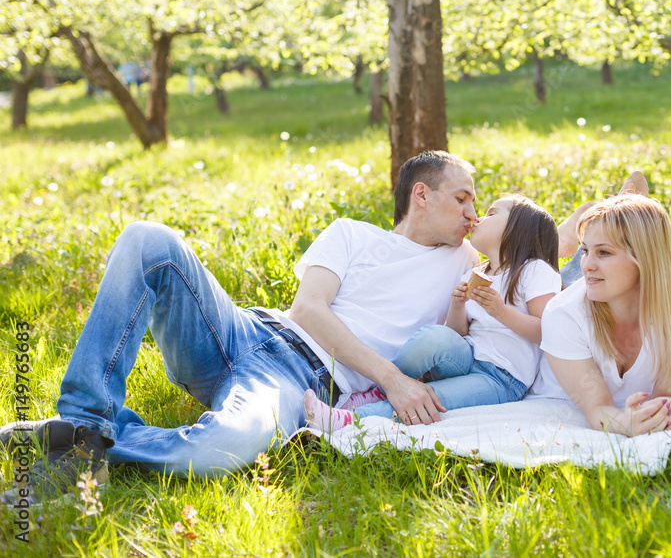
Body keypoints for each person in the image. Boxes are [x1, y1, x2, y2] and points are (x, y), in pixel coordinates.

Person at [1, 151, 479, 505]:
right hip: (246, 332)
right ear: (422, 193)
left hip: (300, 383)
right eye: (462, 198)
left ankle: (77, 437)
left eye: (477, 206)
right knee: (148, 238)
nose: (472, 214)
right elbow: (310, 310)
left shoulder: (465, 263)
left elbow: (529, 257)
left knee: (224, 447)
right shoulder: (351, 233)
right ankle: (83, 426)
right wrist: (394, 381)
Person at [303, 194, 562, 431]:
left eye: (493, 214)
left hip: (501, 377)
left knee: (432, 399)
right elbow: (456, 334)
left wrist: (501, 312)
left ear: (519, 229)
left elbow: (549, 331)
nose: (478, 217)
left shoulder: (535, 270)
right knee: (433, 337)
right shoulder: (477, 273)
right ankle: (383, 388)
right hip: (467, 356)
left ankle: (350, 421)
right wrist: (458, 305)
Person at [530, 190, 671, 437]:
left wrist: (652, 416)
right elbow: (597, 408)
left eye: (604, 252)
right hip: (559, 399)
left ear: (645, 258)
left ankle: (631, 195)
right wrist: (625, 424)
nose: (587, 264)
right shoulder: (563, 315)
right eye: (584, 251)